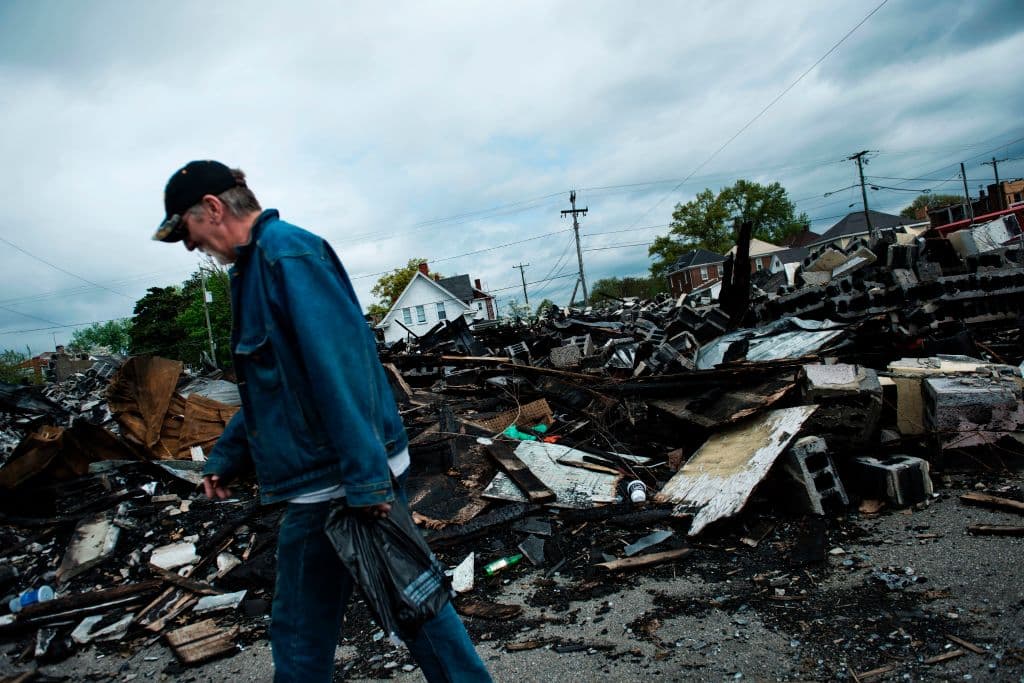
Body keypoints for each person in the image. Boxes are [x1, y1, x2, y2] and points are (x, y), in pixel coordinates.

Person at [152, 160, 492, 683]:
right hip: (333, 473)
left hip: (336, 479)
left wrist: (366, 480)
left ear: (214, 209)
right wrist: (227, 455)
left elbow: (340, 370)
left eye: (188, 233)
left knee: (308, 624)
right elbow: (273, 387)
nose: (192, 247)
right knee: (405, 599)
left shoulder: (288, 256)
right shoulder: (254, 270)